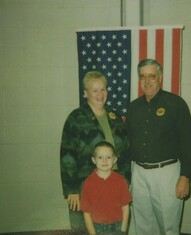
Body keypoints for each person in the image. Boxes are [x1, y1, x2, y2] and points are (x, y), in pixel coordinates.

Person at [125, 59, 191, 235]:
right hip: (139, 173)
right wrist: (127, 176)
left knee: (168, 226)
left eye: (152, 76)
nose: (147, 81)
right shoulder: (133, 107)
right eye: (143, 76)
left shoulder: (176, 104)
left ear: (160, 77)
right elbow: (128, 144)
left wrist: (185, 176)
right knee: (143, 225)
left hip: (167, 174)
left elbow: (187, 143)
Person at [60, 71, 131, 233]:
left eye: (103, 89)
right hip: (85, 185)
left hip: (114, 183)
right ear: (85, 93)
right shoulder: (76, 118)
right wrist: (71, 189)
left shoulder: (115, 117)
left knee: (115, 226)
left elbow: (125, 151)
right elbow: (67, 155)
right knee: (84, 228)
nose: (100, 94)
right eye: (95, 90)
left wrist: (127, 179)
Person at [80, 141, 132, 235]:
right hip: (96, 227)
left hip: (117, 226)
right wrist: (93, 233)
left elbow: (125, 207)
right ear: (94, 160)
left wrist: (123, 229)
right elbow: (86, 212)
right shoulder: (88, 183)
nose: (104, 161)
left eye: (108, 157)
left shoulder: (121, 181)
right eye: (100, 157)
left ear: (114, 159)